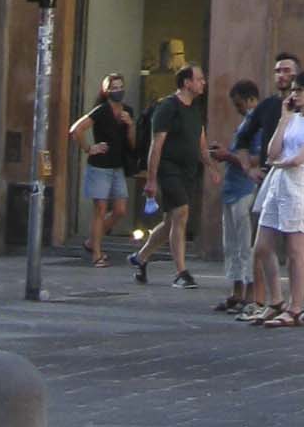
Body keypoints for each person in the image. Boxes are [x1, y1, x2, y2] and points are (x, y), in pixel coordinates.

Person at [248, 74, 304, 325]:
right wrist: (283, 119)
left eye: (300, 90)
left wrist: (279, 162)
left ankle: (295, 307)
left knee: (295, 249)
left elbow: (301, 156)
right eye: (293, 90)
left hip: (297, 185)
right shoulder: (292, 119)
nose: (294, 94)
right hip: (277, 183)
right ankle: (275, 301)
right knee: (262, 246)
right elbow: (272, 150)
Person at [129, 64, 207, 287]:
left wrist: (210, 166)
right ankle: (181, 273)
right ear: (186, 83)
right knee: (181, 213)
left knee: (170, 221)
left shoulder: (194, 109)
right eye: (199, 79)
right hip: (169, 169)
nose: (203, 83)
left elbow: (201, 141)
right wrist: (152, 179)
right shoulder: (167, 107)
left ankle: (140, 258)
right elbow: (157, 144)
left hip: (188, 172)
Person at [67, 73, 137, 267]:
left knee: (120, 209)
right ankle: (96, 254)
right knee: (100, 209)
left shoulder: (127, 111)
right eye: (114, 88)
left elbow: (132, 143)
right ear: (106, 91)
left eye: (120, 86)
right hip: (100, 166)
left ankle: (92, 241)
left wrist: (130, 124)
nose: (118, 91)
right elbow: (76, 130)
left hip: (117, 166)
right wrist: (89, 148)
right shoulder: (101, 111)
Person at [212, 80, 265, 314]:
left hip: (245, 189)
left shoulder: (257, 125)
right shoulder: (245, 124)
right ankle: (236, 290)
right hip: (232, 189)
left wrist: (227, 156)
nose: (239, 109)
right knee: (232, 244)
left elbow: (255, 159)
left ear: (251, 99)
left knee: (245, 244)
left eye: (240, 104)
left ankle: (250, 294)